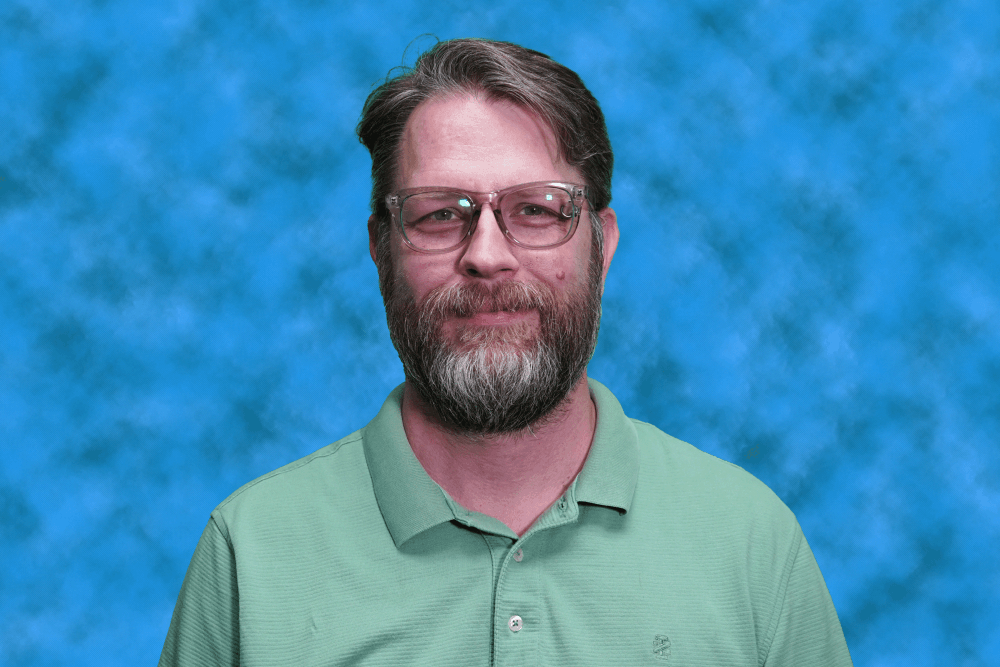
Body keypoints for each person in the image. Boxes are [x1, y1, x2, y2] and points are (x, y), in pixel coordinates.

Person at [159, 38, 853, 666]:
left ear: (602, 244)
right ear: (380, 248)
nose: (487, 255)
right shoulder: (250, 553)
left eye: (537, 209)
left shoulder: (749, 541)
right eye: (440, 213)